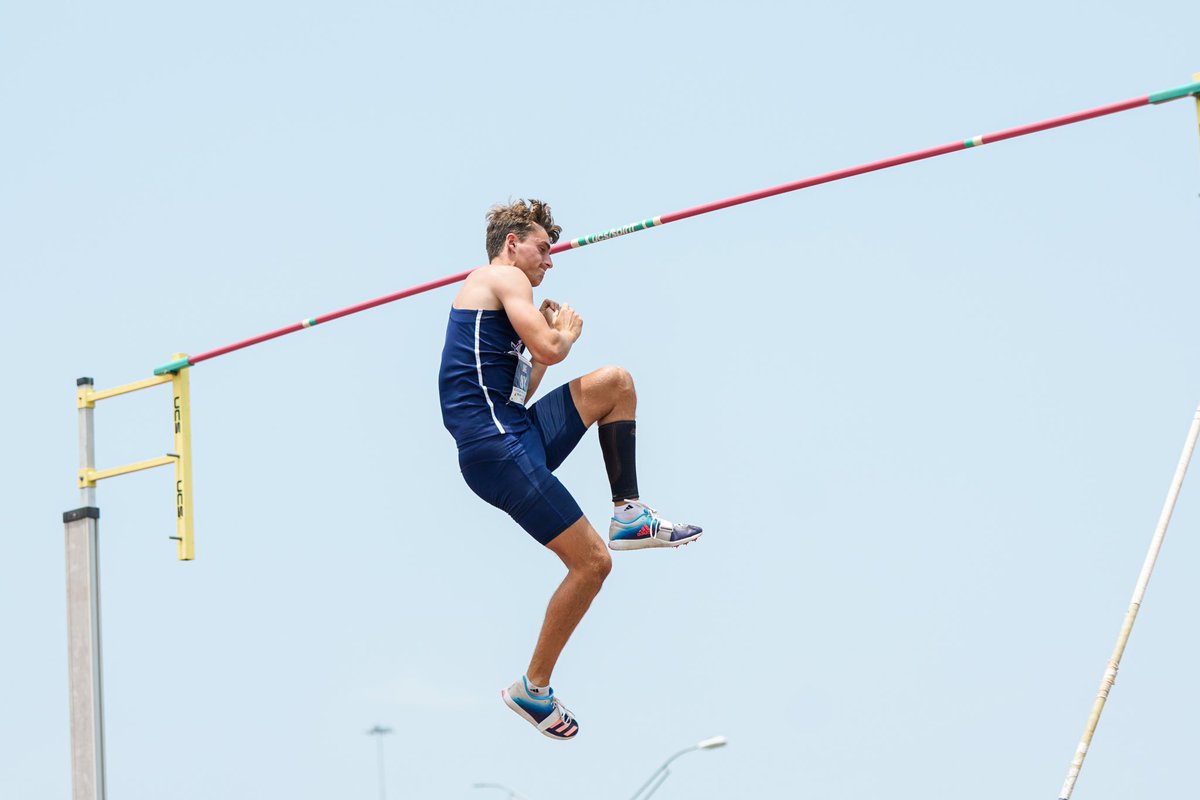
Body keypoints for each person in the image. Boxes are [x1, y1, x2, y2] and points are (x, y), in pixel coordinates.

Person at [438, 199, 703, 741]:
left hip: (516, 431)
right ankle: (532, 688)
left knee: (615, 383)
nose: (549, 262)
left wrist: (544, 351)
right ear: (512, 243)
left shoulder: (501, 297)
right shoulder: (500, 277)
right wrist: (564, 334)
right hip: (496, 448)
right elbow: (551, 348)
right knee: (592, 564)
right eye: (543, 248)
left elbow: (522, 386)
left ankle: (628, 511)